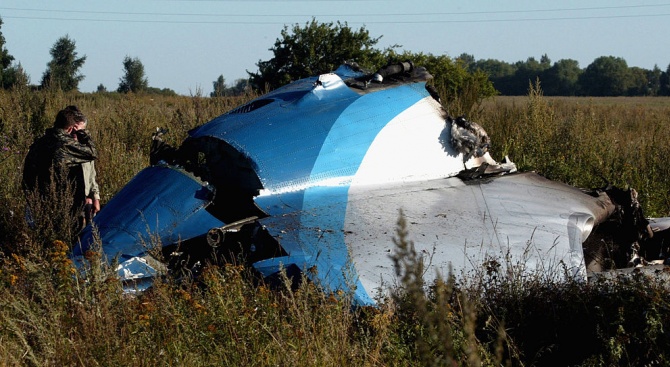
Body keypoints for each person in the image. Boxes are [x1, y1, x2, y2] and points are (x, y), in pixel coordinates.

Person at [22, 105, 98, 231]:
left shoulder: (39, 143)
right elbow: (92, 153)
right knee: (67, 239)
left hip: (39, 202)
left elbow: (27, 175)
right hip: (63, 204)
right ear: (71, 128)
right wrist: (83, 133)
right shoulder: (64, 144)